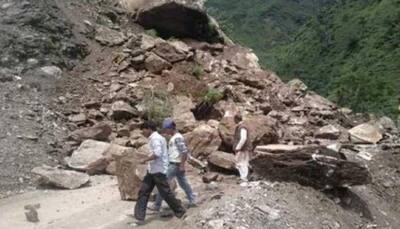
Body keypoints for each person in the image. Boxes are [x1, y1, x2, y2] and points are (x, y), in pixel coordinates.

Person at [133, 121, 186, 225]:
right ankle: (140, 218)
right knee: (143, 191)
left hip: (158, 170)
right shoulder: (156, 138)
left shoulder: (156, 138)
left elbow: (157, 154)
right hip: (152, 170)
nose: (142, 132)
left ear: (148, 128)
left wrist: (144, 160)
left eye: (143, 129)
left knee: (165, 192)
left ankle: (180, 211)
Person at [150, 118, 196, 212]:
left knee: (163, 184)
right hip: (175, 164)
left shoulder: (177, 138)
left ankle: (156, 205)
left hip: (175, 164)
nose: (166, 131)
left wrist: (182, 165)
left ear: (171, 128)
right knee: (183, 183)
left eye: (166, 129)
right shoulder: (174, 137)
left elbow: (184, 152)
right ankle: (192, 199)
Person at [233, 117, 252, 182]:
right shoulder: (242, 126)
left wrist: (238, 147)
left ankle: (244, 177)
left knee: (240, 162)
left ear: (236, 119)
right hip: (245, 147)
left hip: (243, 148)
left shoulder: (242, 127)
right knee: (244, 162)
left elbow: (243, 138)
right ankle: (244, 177)